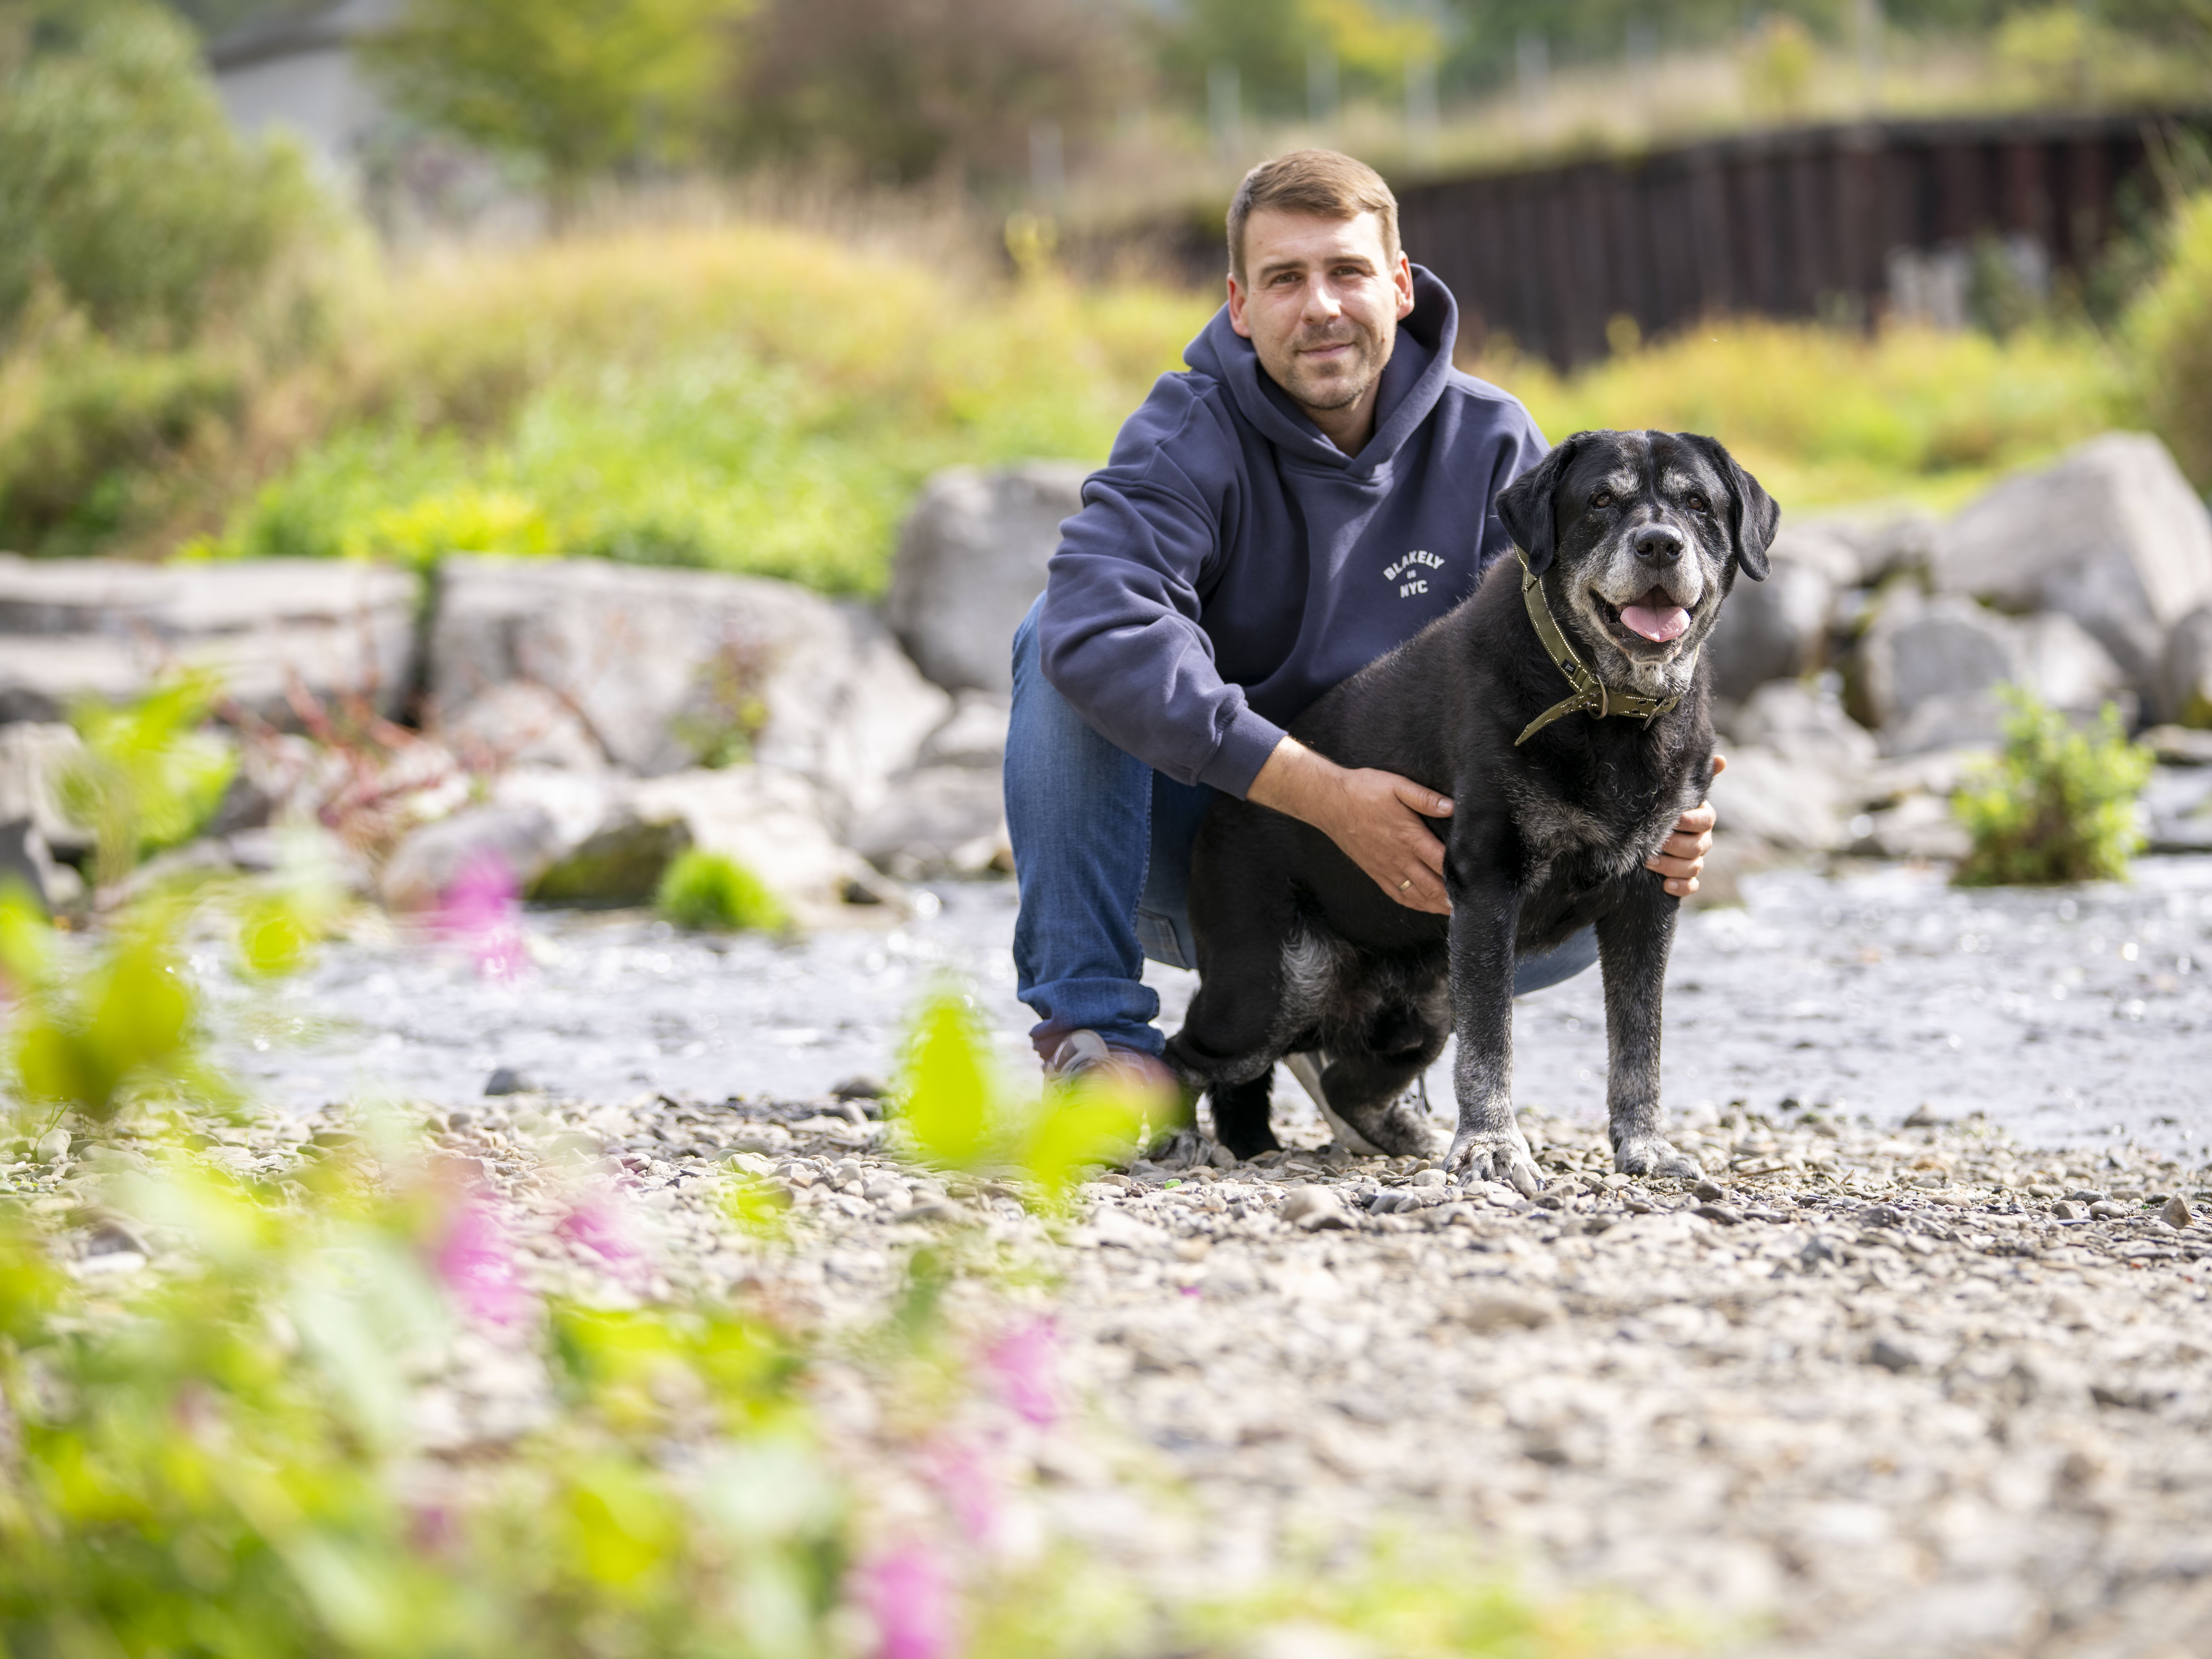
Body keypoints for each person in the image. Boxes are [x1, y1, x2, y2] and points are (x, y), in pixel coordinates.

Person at [1002, 149, 1718, 1092]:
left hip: (1417, 876)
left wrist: (1675, 802)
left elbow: (1595, 653)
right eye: (1285, 279)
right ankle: (1098, 1042)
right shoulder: (1186, 436)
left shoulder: (1497, 445)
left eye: (1346, 271)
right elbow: (1101, 629)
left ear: (1400, 285)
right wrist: (1323, 795)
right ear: (1240, 305)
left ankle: (1350, 1026)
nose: (1322, 306)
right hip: (1192, 864)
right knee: (1060, 633)